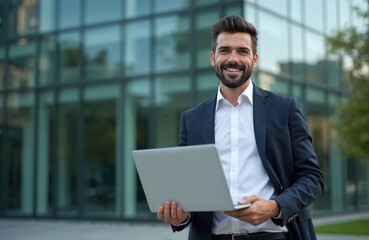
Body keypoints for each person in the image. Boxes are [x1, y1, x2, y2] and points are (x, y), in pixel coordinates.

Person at [157, 15, 324, 240]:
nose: (233, 59)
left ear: (254, 59)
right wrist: (181, 217)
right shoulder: (192, 119)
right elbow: (189, 190)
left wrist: (275, 207)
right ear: (212, 57)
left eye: (242, 51)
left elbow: (312, 177)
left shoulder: (284, 109)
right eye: (225, 50)